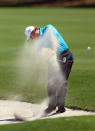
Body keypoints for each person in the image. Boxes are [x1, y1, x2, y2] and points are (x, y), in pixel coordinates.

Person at [25, 24, 74, 115]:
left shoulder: (48, 28)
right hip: (53, 59)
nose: (31, 39)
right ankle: (51, 106)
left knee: (61, 82)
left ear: (34, 31)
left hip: (65, 57)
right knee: (51, 83)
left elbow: (54, 40)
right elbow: (42, 54)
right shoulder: (39, 42)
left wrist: (54, 52)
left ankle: (61, 107)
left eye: (31, 36)